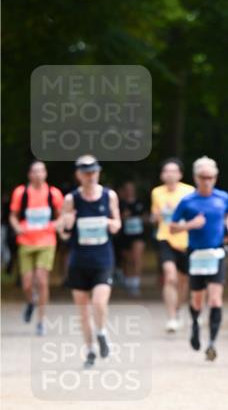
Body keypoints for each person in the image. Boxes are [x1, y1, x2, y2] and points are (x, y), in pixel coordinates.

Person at [169, 156, 228, 361]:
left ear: (215, 177)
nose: (207, 181)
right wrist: (190, 225)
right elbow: (172, 228)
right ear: (195, 177)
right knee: (197, 299)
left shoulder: (223, 197)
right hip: (196, 254)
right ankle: (195, 324)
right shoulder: (187, 201)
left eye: (210, 177)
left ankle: (212, 343)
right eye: (203, 177)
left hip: (216, 253)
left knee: (215, 298)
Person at [58, 156, 121, 368]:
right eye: (86, 173)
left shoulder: (109, 196)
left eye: (93, 172)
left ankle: (101, 332)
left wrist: (112, 224)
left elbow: (117, 223)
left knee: (99, 303)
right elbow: (63, 233)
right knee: (83, 311)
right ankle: (90, 351)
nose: (90, 176)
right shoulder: (71, 199)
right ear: (79, 175)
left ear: (98, 172)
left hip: (103, 259)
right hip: (79, 261)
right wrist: (67, 225)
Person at [9, 160, 64, 334]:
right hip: (26, 241)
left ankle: (41, 321)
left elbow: (62, 215)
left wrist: (57, 225)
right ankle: (31, 301)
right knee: (27, 284)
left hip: (47, 241)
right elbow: (13, 215)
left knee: (41, 280)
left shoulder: (54, 193)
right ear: (30, 175)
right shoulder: (21, 193)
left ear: (45, 174)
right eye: (35, 171)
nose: (38, 174)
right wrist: (17, 227)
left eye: (41, 171)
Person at [150, 159, 194, 332]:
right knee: (170, 277)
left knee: (183, 280)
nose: (170, 174)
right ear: (162, 175)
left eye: (173, 171)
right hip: (165, 238)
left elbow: (194, 214)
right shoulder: (156, 192)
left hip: (186, 240)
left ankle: (178, 309)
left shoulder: (189, 191)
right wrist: (159, 214)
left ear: (180, 174)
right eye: (166, 171)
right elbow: (155, 216)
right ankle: (171, 317)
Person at [115, 180, 148, 297]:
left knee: (136, 258)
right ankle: (129, 282)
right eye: (127, 189)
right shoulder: (120, 204)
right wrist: (123, 217)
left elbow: (147, 216)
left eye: (131, 189)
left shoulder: (140, 202)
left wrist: (142, 219)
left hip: (138, 235)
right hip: (125, 235)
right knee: (127, 260)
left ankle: (136, 283)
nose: (129, 191)